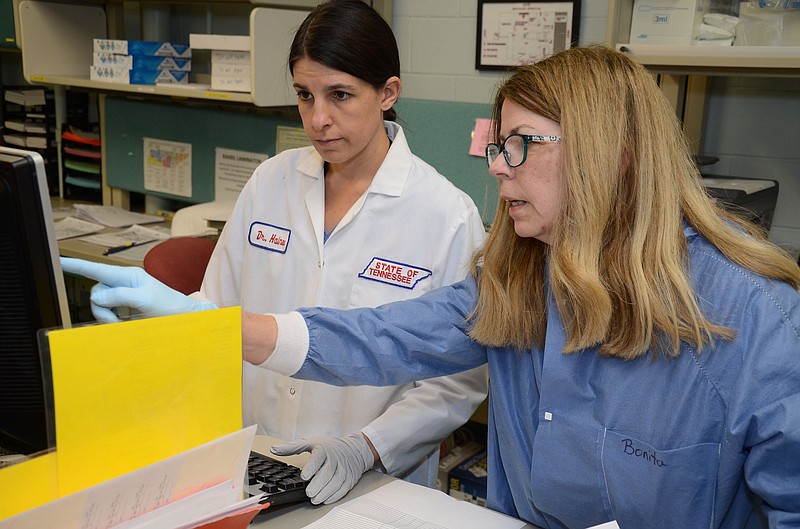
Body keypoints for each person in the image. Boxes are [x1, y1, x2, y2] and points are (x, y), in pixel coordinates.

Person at [63, 45, 800, 527]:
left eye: (522, 145)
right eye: (497, 145)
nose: (498, 167)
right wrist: (208, 326)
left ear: (618, 156)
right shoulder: (521, 278)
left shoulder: (755, 318)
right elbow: (381, 337)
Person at [62, 0, 488, 507]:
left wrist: (366, 447)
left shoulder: (446, 216)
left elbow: (455, 383)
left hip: (371, 481)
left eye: (341, 95)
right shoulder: (271, 182)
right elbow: (216, 309)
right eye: (305, 96)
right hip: (254, 464)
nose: (319, 119)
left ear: (388, 93)